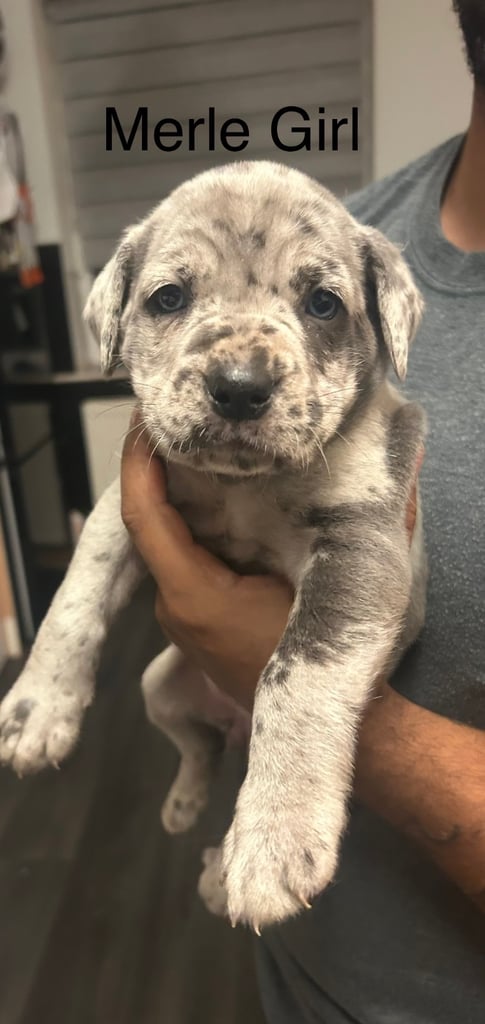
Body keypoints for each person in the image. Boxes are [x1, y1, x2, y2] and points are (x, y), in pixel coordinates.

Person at [120, 1, 485, 1019]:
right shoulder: (335, 236)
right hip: (294, 964)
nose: (245, 353)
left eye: (315, 307)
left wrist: (328, 723)